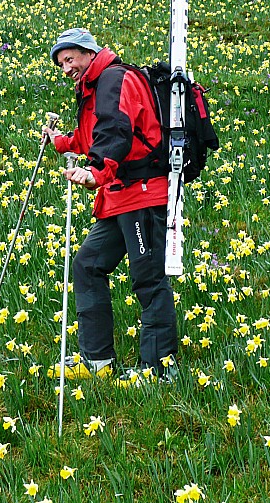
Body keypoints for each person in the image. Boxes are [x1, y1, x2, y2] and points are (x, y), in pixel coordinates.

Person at [43, 28, 178, 386]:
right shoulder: (94, 87)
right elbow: (93, 135)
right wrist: (62, 142)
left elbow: (116, 132)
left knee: (148, 278)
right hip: (119, 195)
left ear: (88, 52)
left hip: (142, 193)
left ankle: (159, 369)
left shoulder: (114, 79)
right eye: (61, 64)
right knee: (88, 264)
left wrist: (96, 172)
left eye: (69, 59)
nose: (65, 68)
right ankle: (98, 358)